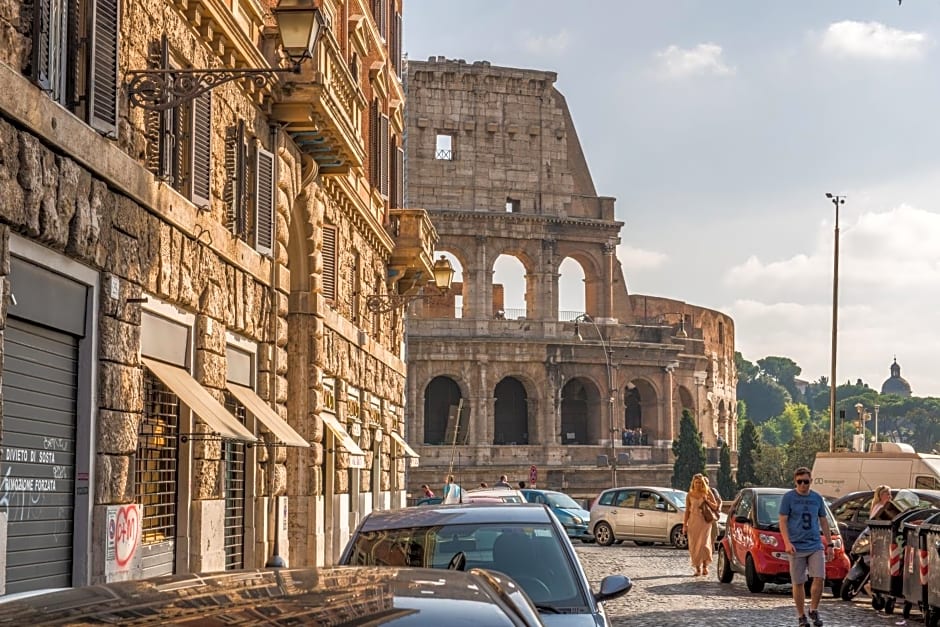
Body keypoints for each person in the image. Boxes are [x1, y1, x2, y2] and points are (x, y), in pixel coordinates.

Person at [779, 467, 832, 627]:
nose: (803, 485)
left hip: (815, 544)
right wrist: (787, 542)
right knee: (798, 582)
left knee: (819, 577)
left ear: (811, 481)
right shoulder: (789, 498)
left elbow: (824, 521)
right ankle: (801, 615)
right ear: (795, 482)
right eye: (800, 482)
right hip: (796, 546)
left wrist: (829, 543)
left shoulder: (817, 498)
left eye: (806, 482)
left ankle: (813, 609)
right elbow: (783, 521)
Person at [683, 473, 720, 576]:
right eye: (696, 482)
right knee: (694, 545)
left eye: (700, 482)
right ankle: (697, 568)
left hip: (705, 522)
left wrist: (706, 500)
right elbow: (687, 511)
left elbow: (715, 506)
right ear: (693, 483)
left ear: (703, 483)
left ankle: (705, 566)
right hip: (693, 522)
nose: (698, 484)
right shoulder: (689, 495)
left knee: (704, 544)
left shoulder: (707, 492)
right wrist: (684, 524)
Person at [708, 484, 723, 549]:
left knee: (713, 534)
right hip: (704, 517)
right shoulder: (702, 492)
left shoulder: (713, 491)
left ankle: (711, 547)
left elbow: (719, 500)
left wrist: (719, 508)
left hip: (713, 517)